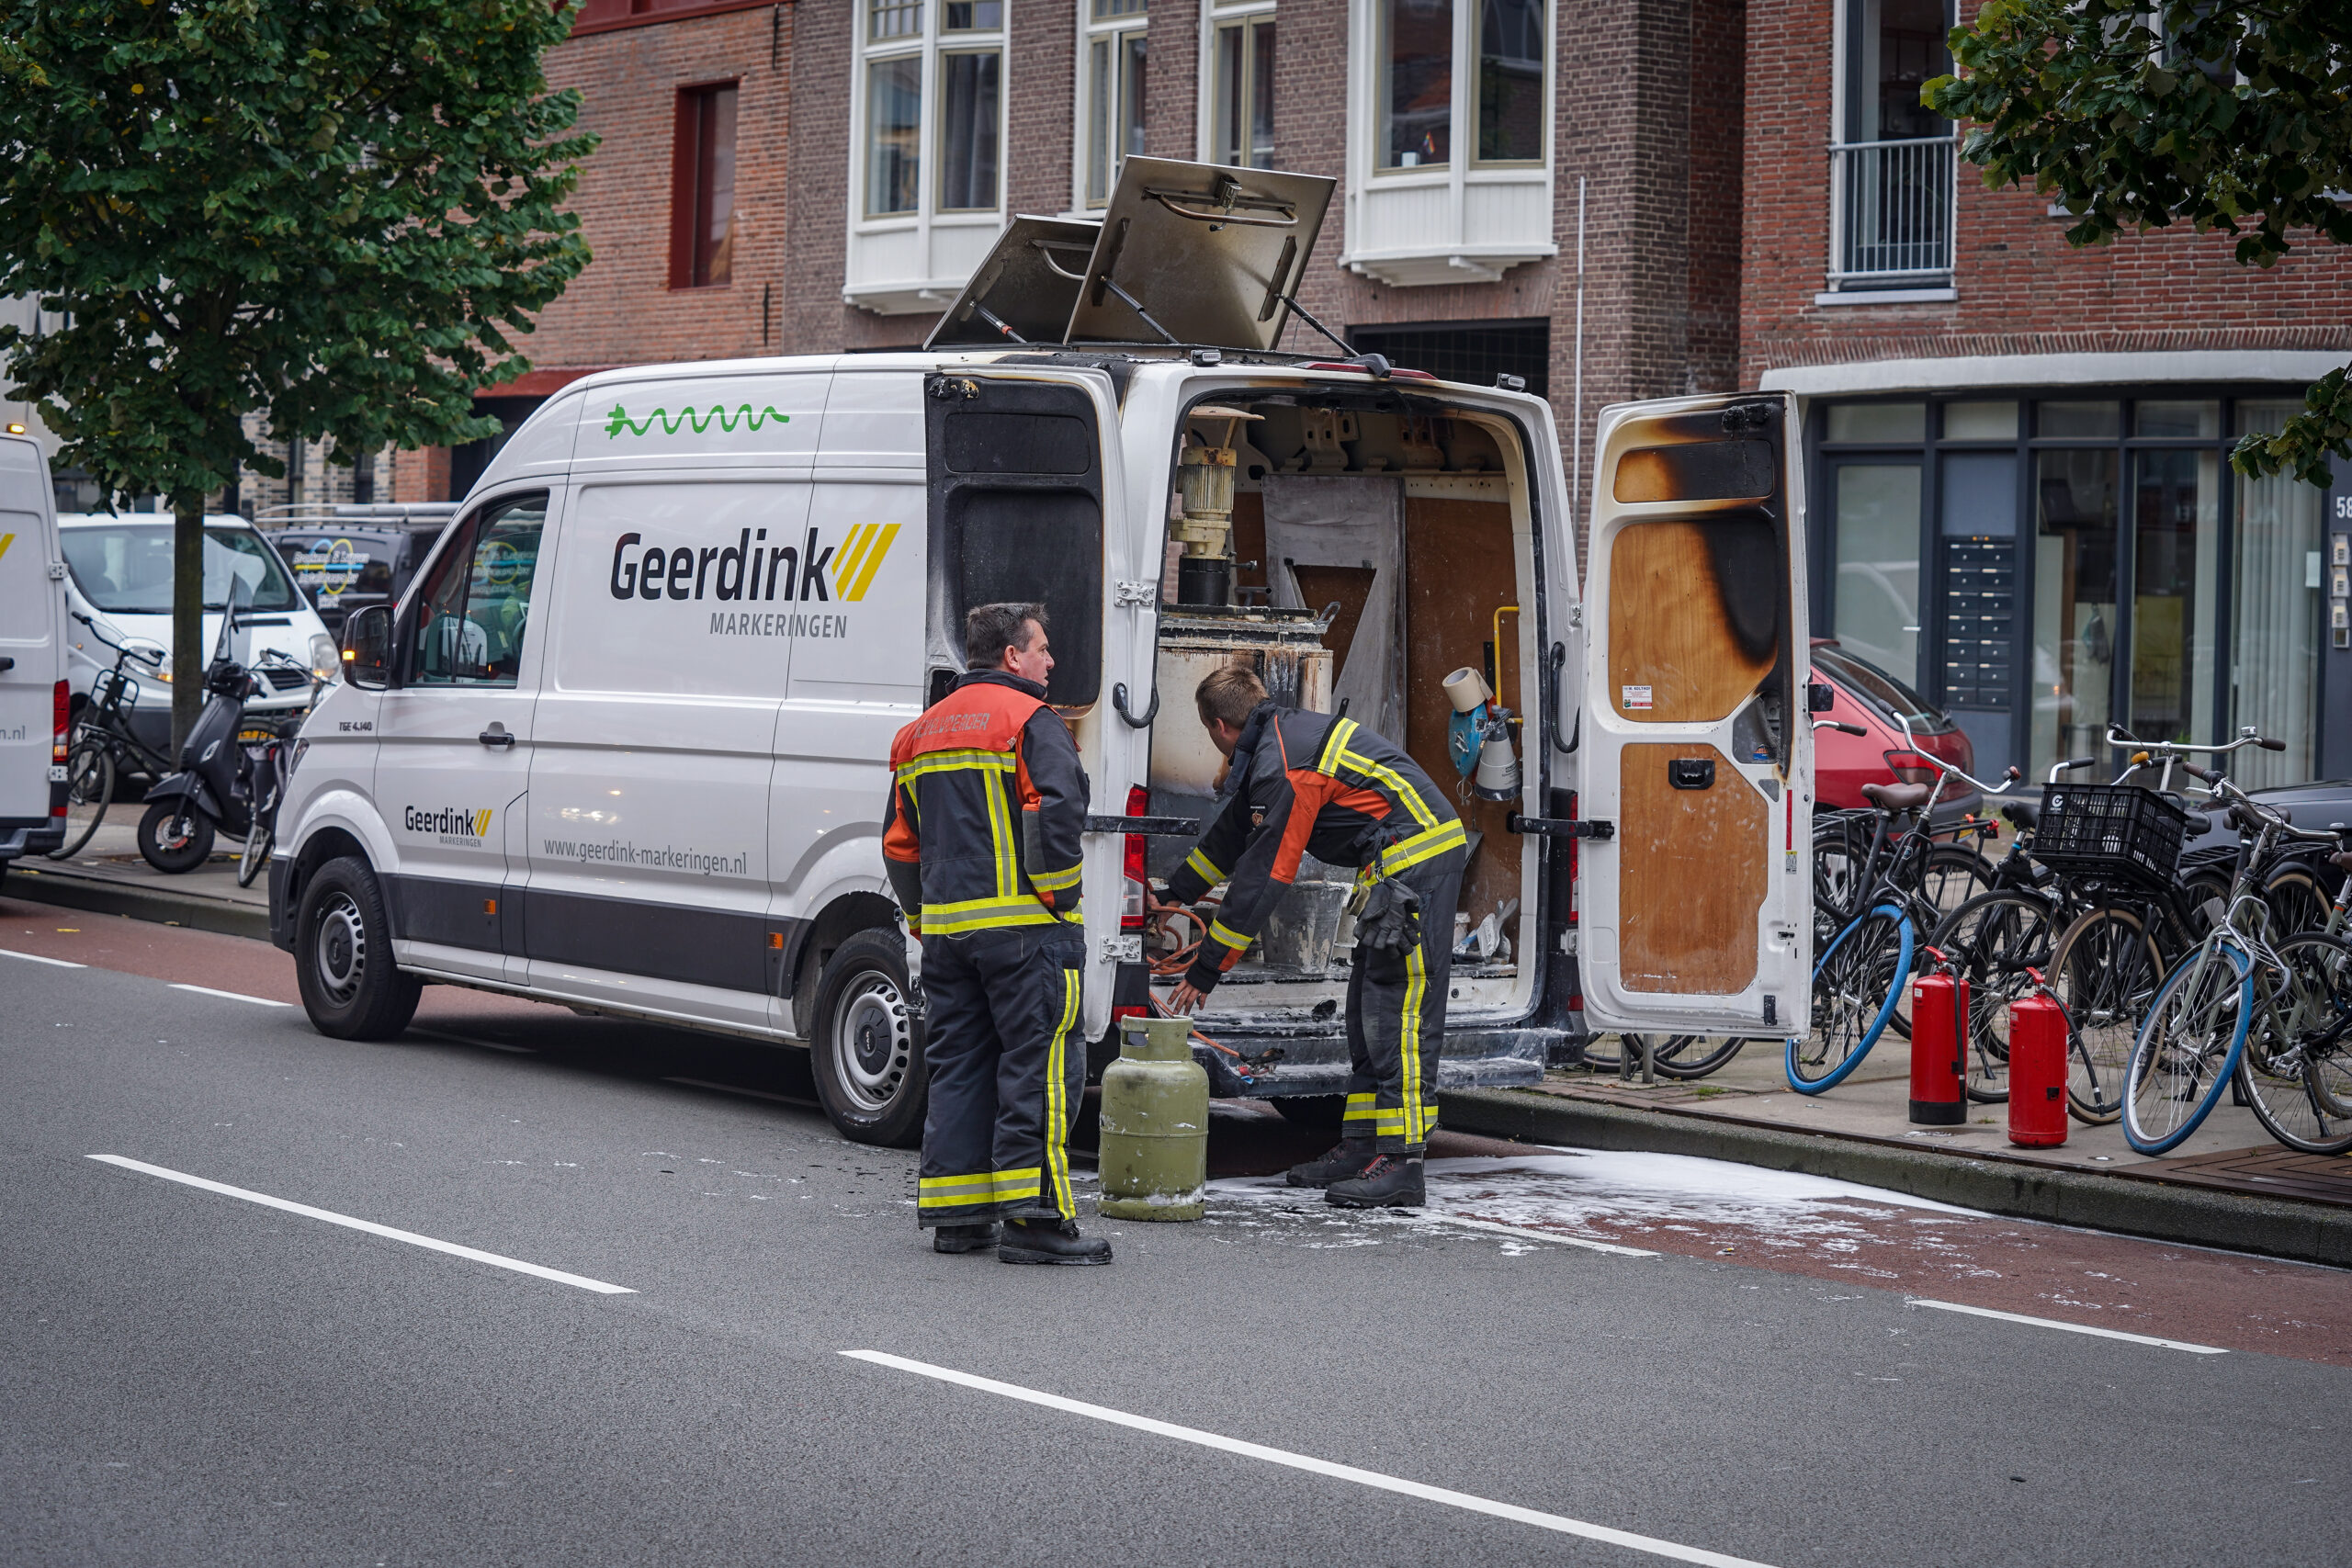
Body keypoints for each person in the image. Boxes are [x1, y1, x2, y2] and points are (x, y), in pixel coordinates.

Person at [1162, 664, 1465, 1208]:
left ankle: (1402, 1165)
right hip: (1393, 865)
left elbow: (1265, 876)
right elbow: (1237, 830)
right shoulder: (1276, 743)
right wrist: (1175, 892)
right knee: (1367, 1010)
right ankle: (1362, 1148)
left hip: (1415, 863)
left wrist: (1207, 967)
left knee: (1399, 1013)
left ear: (1218, 726)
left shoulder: (1286, 764)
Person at [881, 603, 1111, 1265]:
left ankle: (959, 1216)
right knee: (1038, 1069)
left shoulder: (920, 733)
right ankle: (1036, 1221)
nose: (1051, 661)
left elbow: (899, 844)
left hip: (949, 940)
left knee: (959, 1068)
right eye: (1042, 648)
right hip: (1025, 934)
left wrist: (927, 920)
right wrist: (1058, 896)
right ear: (1012, 656)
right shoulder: (1030, 722)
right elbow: (1058, 809)